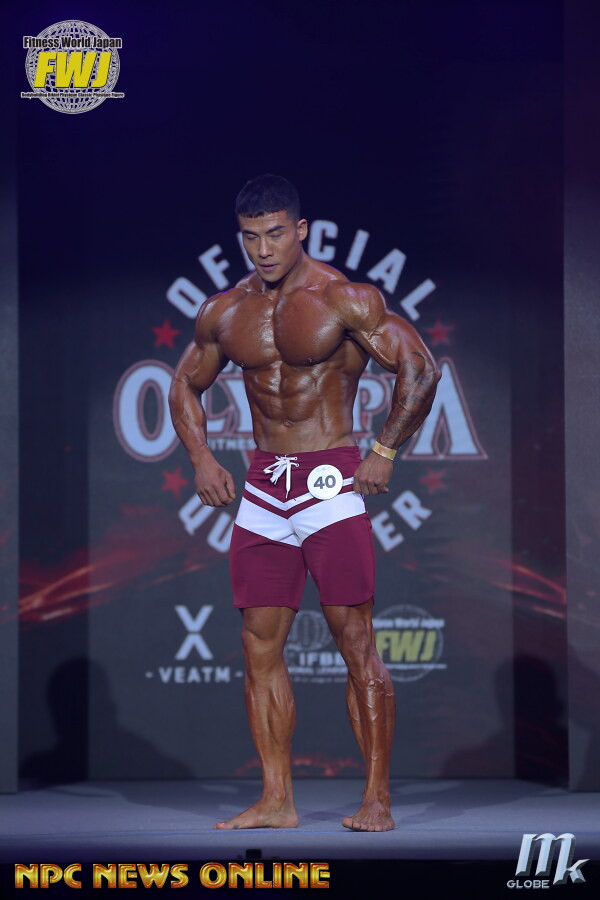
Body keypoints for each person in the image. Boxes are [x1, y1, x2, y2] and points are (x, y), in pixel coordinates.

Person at [169, 174, 440, 832]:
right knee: (258, 646)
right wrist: (201, 457)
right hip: (265, 484)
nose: (263, 249)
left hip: (329, 479)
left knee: (355, 640)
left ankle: (375, 798)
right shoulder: (225, 311)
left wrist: (384, 450)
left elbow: (420, 367)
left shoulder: (343, 298)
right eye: (250, 237)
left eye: (274, 234)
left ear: (301, 230)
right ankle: (276, 799)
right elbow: (184, 384)